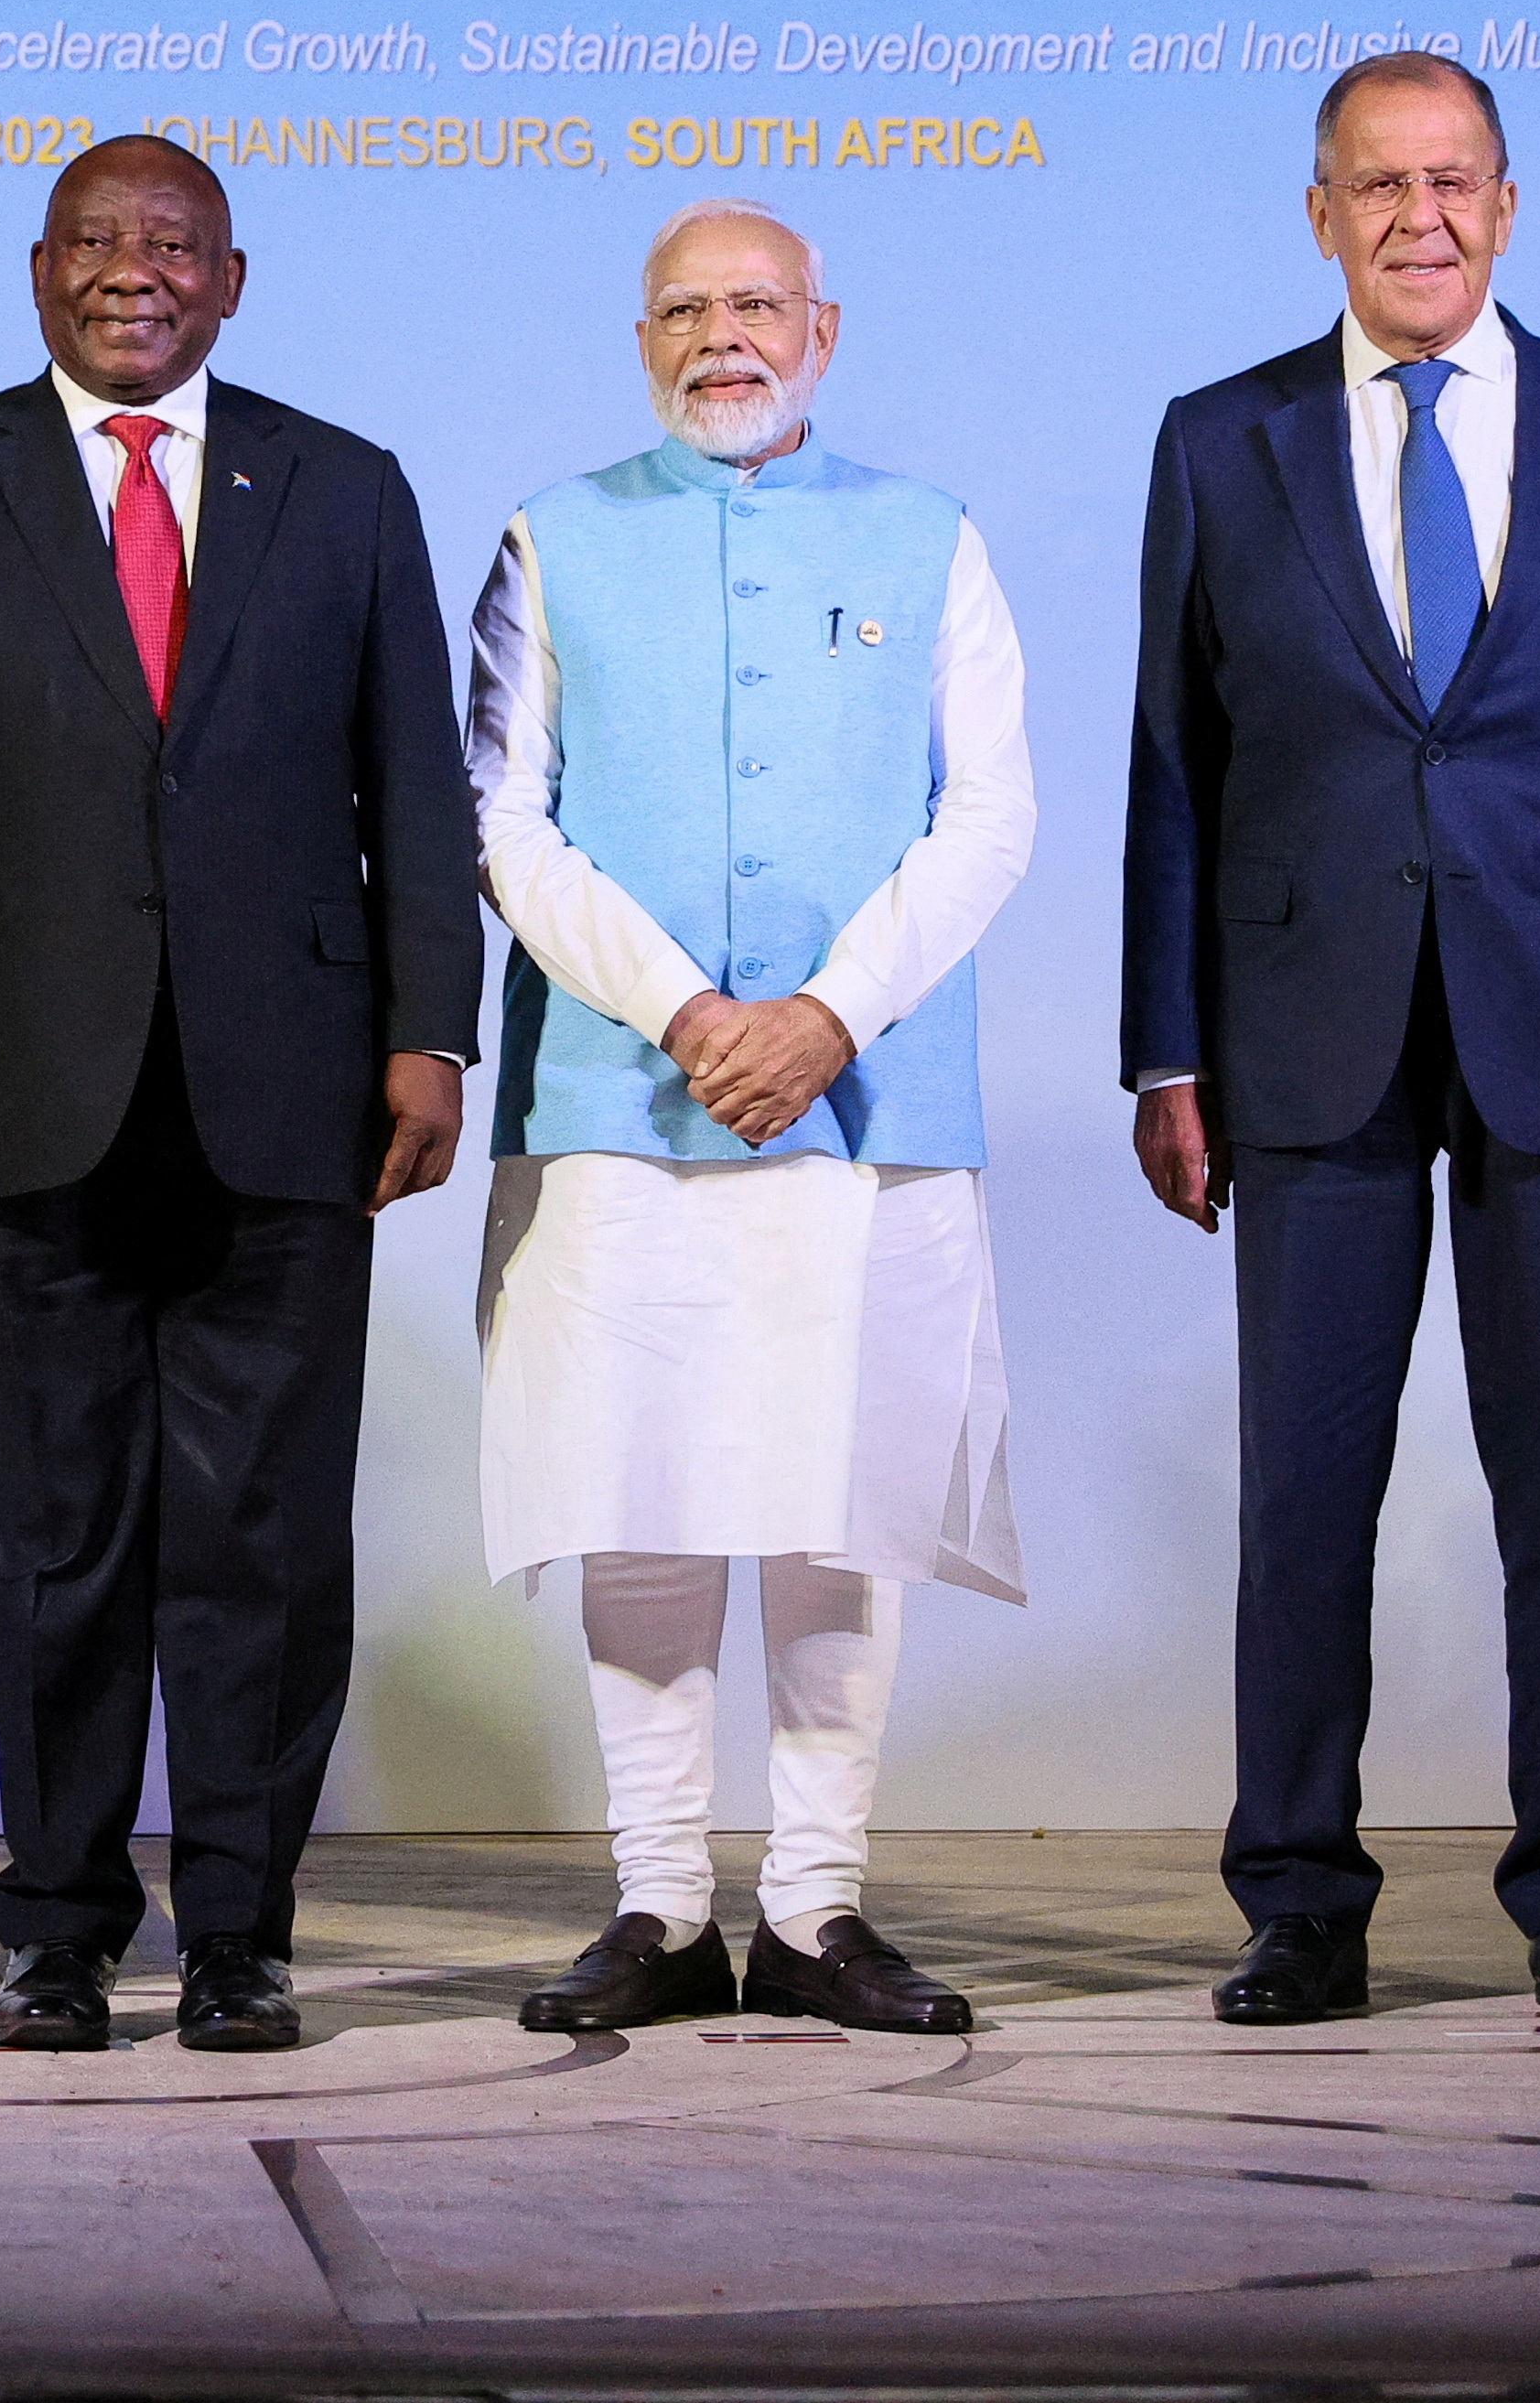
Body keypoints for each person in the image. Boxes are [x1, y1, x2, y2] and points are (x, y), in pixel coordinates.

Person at [0, 135, 478, 2055]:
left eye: (171, 245)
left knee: (265, 1535)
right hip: (18, 1095)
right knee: (51, 1531)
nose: (132, 273)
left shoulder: (343, 489)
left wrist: (433, 1028)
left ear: (233, 280)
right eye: (96, 242)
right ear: (37, 271)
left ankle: (245, 1932)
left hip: (295, 1098)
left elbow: (417, 781)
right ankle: (60, 1927)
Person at [1122, 54, 1540, 2029]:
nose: (1422, 217)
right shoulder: (1218, 436)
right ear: (1317, 212)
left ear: (1510, 200)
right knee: (1305, 1490)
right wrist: (1169, 1051)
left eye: (1455, 180)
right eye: (1379, 184)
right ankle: (1300, 1897)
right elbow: (1177, 766)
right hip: (1305, 1033)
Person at [469, 199, 1034, 2040]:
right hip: (620, 1097)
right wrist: (694, 1011)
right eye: (688, 308)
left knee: (837, 1504)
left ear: (827, 325)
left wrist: (822, 1015)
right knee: (633, 1493)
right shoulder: (551, 537)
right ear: (644, 339)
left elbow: (989, 818)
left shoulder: (932, 537)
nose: (726, 334)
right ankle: (656, 1900)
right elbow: (505, 822)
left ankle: (813, 1908)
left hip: (863, 1106)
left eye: (759, 304)